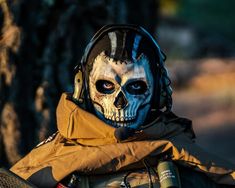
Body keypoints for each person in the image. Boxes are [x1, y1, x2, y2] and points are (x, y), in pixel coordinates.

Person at [10, 24, 235, 188]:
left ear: (158, 92)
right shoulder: (45, 161)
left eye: (136, 86)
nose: (120, 102)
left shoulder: (193, 165)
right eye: (106, 85)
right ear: (83, 89)